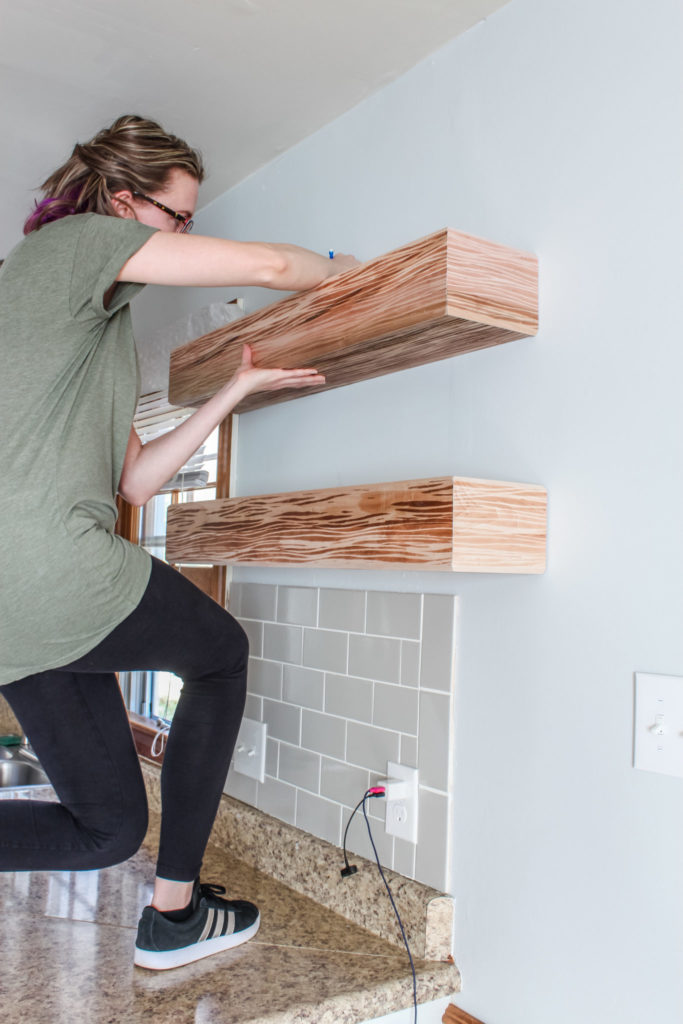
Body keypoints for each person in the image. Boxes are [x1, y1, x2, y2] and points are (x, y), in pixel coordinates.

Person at [0, 114, 359, 971]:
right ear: (124, 201)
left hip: (15, 603)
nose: (183, 233)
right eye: (178, 216)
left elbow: (134, 484)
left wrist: (234, 388)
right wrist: (353, 276)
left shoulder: (85, 332)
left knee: (105, 830)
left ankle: (170, 910)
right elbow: (275, 266)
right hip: (46, 562)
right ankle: (174, 913)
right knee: (220, 653)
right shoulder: (73, 246)